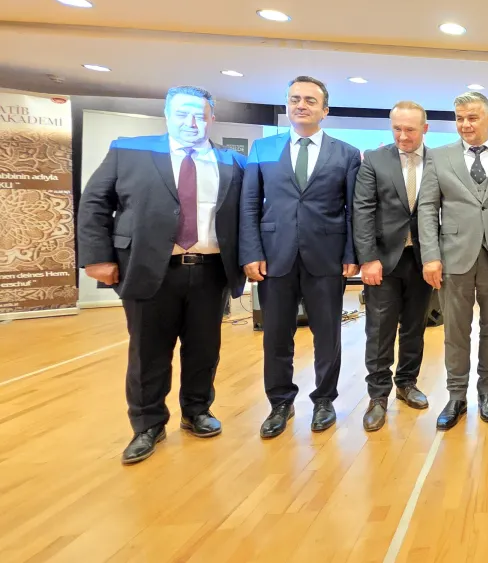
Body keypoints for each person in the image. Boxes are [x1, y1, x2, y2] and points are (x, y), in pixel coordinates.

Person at [78, 86, 247, 465]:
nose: (191, 122)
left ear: (212, 118)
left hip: (211, 271)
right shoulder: (129, 151)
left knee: (204, 348)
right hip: (147, 268)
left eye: (200, 115)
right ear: (167, 115)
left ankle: (197, 410)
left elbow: (245, 215)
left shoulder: (233, 162)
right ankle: (147, 424)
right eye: (183, 113)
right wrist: (97, 257)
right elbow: (94, 203)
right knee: (148, 352)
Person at [240, 76, 361, 438]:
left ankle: (324, 400)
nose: (301, 105)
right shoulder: (263, 149)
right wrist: (251, 251)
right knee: (276, 335)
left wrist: (351, 252)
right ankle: (280, 402)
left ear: (325, 110)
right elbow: (249, 204)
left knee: (328, 335)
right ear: (287, 106)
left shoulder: (346, 153)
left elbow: (353, 209)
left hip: (326, 258)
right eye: (295, 99)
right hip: (274, 257)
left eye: (310, 100)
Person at [417, 92, 488, 431]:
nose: (465, 124)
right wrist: (430, 256)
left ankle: (487, 391)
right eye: (459, 118)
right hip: (453, 257)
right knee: (456, 330)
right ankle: (456, 396)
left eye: (472, 117)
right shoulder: (438, 156)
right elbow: (427, 208)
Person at [354, 101, 434, 431]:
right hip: (383, 261)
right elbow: (362, 209)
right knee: (379, 331)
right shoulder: (375, 159)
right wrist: (368, 258)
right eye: (397, 129)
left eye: (410, 129)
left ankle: (407, 383)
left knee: (415, 327)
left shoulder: (437, 161)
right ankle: (377, 396)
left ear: (425, 129)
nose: (402, 136)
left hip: (423, 260)